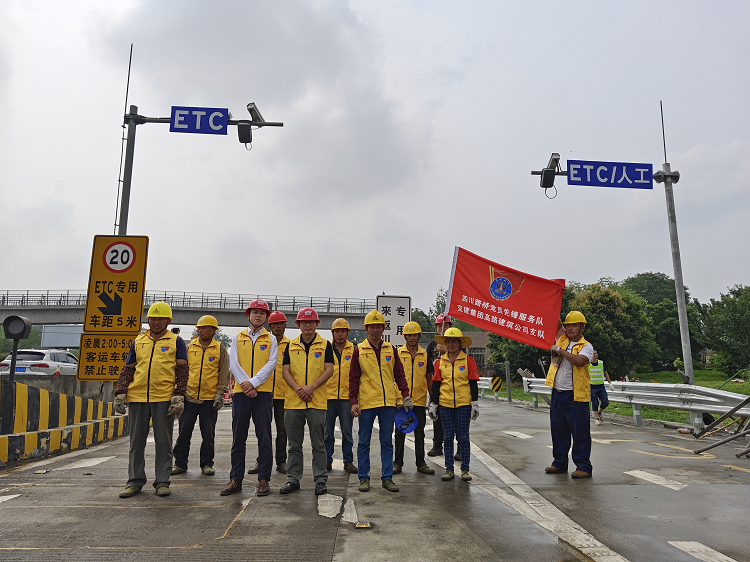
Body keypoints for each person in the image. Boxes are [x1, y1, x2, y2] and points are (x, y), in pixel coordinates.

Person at [114, 302, 188, 498]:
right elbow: (128, 368)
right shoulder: (139, 341)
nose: (156, 322)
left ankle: (162, 482)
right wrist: (120, 392)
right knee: (136, 442)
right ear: (148, 320)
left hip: (163, 398)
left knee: (163, 442)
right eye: (153, 318)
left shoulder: (176, 341)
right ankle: (134, 481)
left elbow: (182, 370)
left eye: (160, 319)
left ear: (168, 321)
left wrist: (179, 394)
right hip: (137, 397)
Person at [349, 310, 412, 493]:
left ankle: (387, 478)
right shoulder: (359, 350)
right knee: (364, 442)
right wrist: (354, 401)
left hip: (387, 405)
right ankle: (363, 478)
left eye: (379, 326)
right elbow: (353, 378)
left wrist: (405, 395)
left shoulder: (391, 350)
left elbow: (399, 374)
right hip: (367, 404)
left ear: (383, 328)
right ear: (366, 329)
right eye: (372, 327)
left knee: (386, 442)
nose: (375, 330)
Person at [222, 299, 278, 497]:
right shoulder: (238, 337)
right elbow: (234, 363)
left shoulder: (271, 339)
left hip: (263, 394)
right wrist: (247, 385)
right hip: (241, 394)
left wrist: (253, 383)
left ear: (266, 317)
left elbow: (271, 364)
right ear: (248, 315)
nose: (258, 315)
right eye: (255, 312)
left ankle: (264, 479)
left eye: (262, 313)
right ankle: (235, 479)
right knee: (239, 438)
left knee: (264, 438)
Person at [280, 307, 334, 495]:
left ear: (317, 324)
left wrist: (310, 388)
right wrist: (298, 389)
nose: (308, 325)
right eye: (304, 322)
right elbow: (285, 371)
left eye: (311, 322)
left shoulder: (325, 345)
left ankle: (320, 480)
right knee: (294, 445)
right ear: (299, 324)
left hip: (316, 402)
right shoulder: (291, 345)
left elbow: (329, 370)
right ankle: (293, 479)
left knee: (318, 444)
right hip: (293, 403)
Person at [171, 315, 229, 476]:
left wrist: (220, 393)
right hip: (189, 398)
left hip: (209, 400)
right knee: (184, 433)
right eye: (199, 328)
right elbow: (181, 370)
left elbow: (224, 372)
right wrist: (179, 393)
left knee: (208, 435)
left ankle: (206, 464)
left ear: (213, 331)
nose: (200, 330)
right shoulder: (189, 347)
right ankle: (180, 463)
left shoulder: (219, 349)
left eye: (204, 328)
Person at [544, 311, 594, 478]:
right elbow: (555, 321)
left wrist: (560, 351)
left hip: (576, 396)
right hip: (558, 393)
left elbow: (579, 361)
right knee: (558, 430)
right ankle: (559, 463)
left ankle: (583, 466)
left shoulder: (586, 346)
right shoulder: (562, 339)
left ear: (582, 327)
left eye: (574, 325)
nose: (570, 328)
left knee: (580, 432)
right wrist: (554, 300)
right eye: (568, 325)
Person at [429, 327, 479, 482]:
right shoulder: (439, 362)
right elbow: (436, 384)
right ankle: (449, 469)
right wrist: (433, 403)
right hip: (445, 405)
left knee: (463, 437)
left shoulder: (468, 361)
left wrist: (475, 403)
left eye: (453, 341)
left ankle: (465, 469)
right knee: (448, 437)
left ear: (460, 343)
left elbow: (472, 384)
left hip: (464, 404)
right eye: (447, 341)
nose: (450, 344)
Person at [247, 310, 291, 475]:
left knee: (282, 430)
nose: (278, 327)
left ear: (285, 325)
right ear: (269, 325)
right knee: (263, 430)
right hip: (264, 392)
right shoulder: (261, 342)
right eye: (274, 324)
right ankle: (262, 461)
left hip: (283, 394)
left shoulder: (292, 345)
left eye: (281, 324)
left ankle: (281, 461)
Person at [394, 321, 435, 475]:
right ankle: (397, 463)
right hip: (401, 400)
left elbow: (429, 378)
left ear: (419, 336)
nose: (411, 338)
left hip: (419, 400)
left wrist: (432, 399)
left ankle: (421, 463)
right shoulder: (398, 353)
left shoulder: (425, 355)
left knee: (420, 432)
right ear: (404, 336)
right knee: (400, 433)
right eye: (409, 335)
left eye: (414, 335)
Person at [324, 318, 358, 474]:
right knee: (327, 431)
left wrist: (355, 399)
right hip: (328, 396)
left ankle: (348, 461)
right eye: (337, 331)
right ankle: (327, 460)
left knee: (347, 432)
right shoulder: (325, 349)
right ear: (332, 333)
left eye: (343, 331)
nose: (340, 334)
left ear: (347, 333)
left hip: (346, 398)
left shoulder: (355, 350)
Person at [426, 314, 459, 461]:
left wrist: (446, 349)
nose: (442, 328)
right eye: (439, 326)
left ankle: (459, 448)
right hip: (436, 384)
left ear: (450, 326)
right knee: (436, 416)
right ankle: (437, 445)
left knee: (457, 418)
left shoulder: (457, 342)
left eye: (445, 325)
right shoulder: (432, 345)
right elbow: (427, 367)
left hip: (454, 387)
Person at [589, 350, 614, 425]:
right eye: (593, 354)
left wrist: (610, 382)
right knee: (595, 402)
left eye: (596, 353)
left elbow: (605, 373)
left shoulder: (601, 363)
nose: (595, 355)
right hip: (592, 386)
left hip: (601, 386)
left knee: (605, 402)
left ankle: (599, 412)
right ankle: (596, 418)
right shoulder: (587, 364)